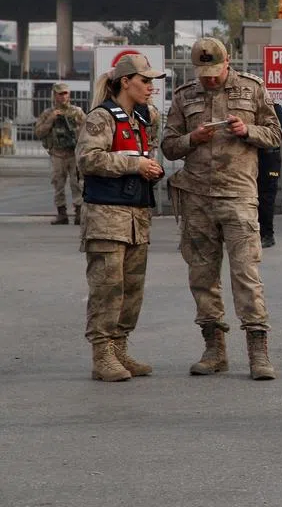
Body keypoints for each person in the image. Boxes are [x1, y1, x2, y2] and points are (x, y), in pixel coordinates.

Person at [161, 37, 282, 381]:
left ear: (227, 62)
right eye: (203, 73)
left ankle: (258, 352)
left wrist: (248, 131)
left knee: (246, 274)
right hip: (196, 196)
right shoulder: (185, 96)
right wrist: (191, 140)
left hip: (238, 195)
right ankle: (214, 348)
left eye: (214, 72)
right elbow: (168, 146)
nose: (210, 79)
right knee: (202, 275)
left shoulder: (252, 89)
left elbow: (275, 134)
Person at [76, 55, 166, 381]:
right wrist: (134, 166)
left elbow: (143, 155)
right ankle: (102, 355)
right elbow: (88, 159)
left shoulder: (142, 119)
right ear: (125, 81)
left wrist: (151, 169)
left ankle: (119, 349)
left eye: (152, 82)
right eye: (144, 81)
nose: (150, 88)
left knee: (131, 290)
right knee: (107, 288)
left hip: (137, 215)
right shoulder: (101, 118)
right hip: (106, 216)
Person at [34, 82, 86, 225]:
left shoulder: (77, 112)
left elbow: (87, 131)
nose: (62, 97)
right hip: (57, 154)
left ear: (69, 95)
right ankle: (61, 214)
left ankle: (79, 213)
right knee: (58, 184)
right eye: (59, 94)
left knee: (77, 184)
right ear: (54, 95)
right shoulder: (48, 113)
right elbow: (39, 132)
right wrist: (51, 119)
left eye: (65, 93)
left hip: (73, 154)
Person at [257, 102, 282, 248]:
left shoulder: (275, 109)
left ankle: (267, 235)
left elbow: (275, 136)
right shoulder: (252, 108)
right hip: (253, 158)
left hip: (270, 158)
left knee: (266, 198)